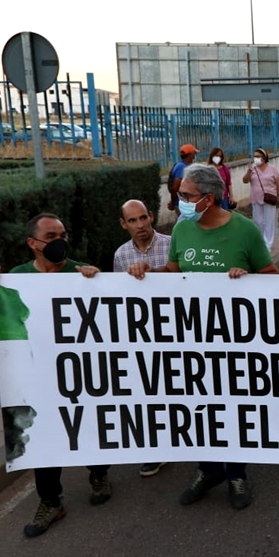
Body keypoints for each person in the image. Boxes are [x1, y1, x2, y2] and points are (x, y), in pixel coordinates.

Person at [128, 164, 279, 510]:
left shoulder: (245, 231)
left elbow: (273, 278)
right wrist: (145, 273)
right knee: (200, 408)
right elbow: (173, 275)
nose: (178, 200)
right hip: (191, 342)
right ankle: (208, 469)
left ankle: (236, 473)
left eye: (185, 196)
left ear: (208, 199)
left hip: (236, 343)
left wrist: (248, 279)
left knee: (234, 407)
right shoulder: (183, 229)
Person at [0, 213, 107, 538]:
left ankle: (99, 473)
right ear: (32, 244)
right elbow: (0, 324)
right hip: (39, 372)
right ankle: (50, 501)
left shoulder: (81, 271)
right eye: (51, 236)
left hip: (80, 371)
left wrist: (97, 282)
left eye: (63, 234)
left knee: (89, 420)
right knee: (42, 433)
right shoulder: (17, 278)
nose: (59, 242)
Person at [112, 199, 173, 478]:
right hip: (143, 337)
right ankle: (155, 448)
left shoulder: (173, 245)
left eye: (143, 218)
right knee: (149, 392)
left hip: (177, 331)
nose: (140, 225)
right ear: (124, 225)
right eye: (132, 221)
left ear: (151, 217)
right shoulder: (121, 256)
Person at [242, 147, 279, 250]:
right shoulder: (253, 169)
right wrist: (249, 171)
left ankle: (268, 244)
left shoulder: (272, 168)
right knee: (258, 221)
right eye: (254, 156)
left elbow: (278, 183)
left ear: (264, 157)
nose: (256, 158)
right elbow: (245, 180)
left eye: (258, 156)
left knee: (269, 221)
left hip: (269, 198)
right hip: (256, 199)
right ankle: (260, 240)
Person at [168, 144, 198, 213]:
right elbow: (175, 188)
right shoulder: (182, 167)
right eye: (194, 153)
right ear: (190, 155)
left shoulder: (183, 165)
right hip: (182, 204)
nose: (195, 156)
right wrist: (173, 202)